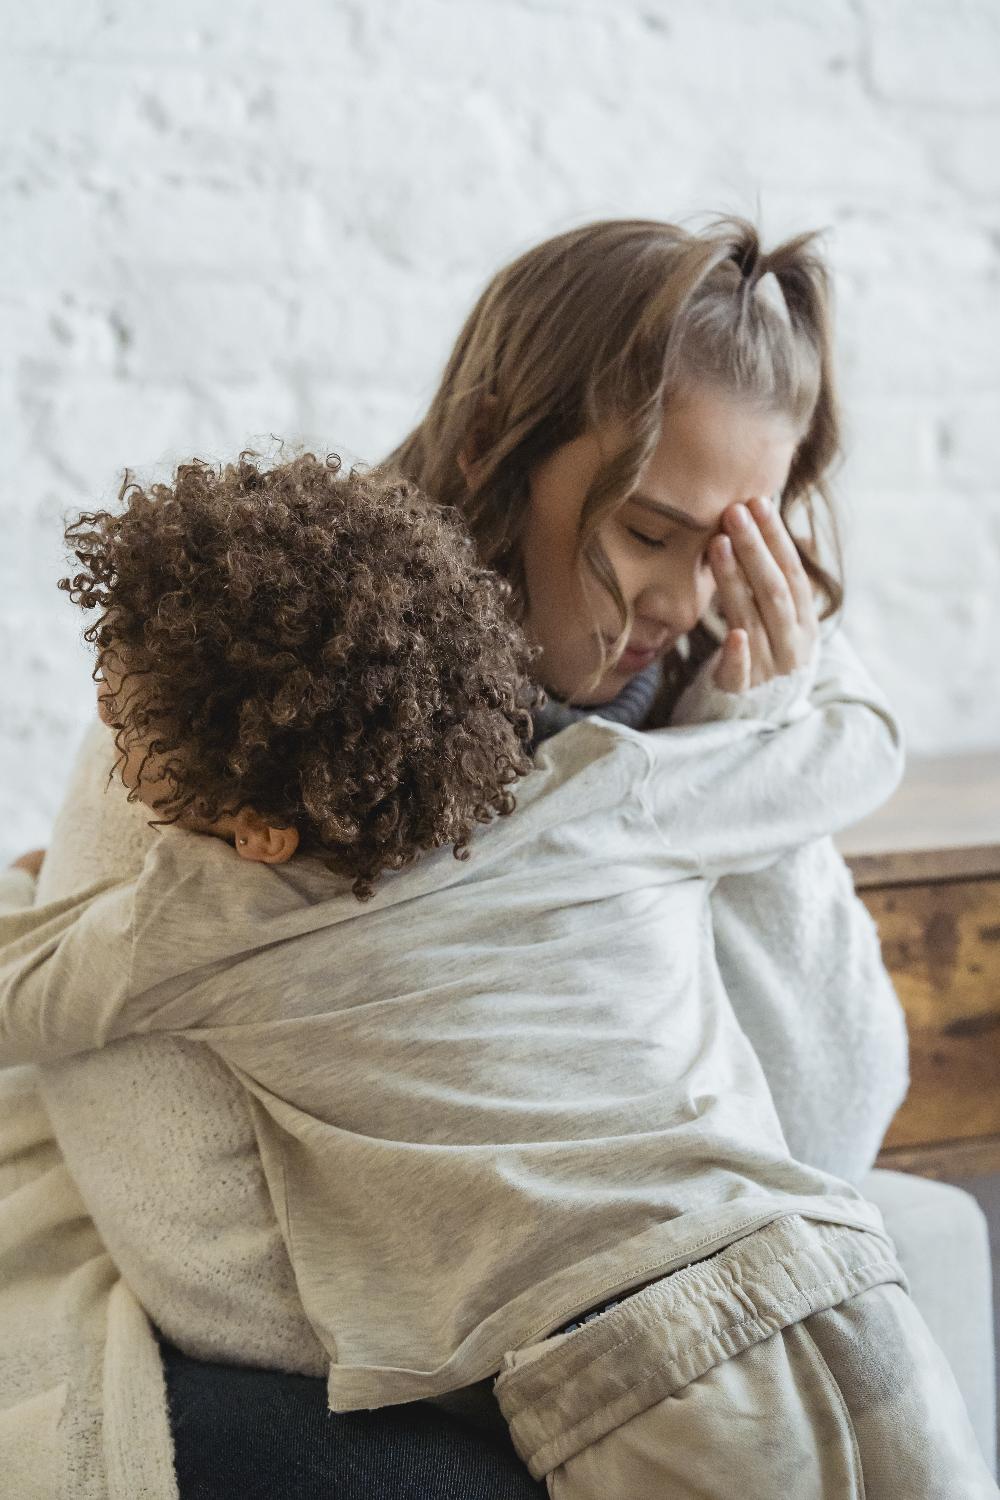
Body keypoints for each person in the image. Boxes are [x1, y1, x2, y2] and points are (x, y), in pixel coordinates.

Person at [0, 217, 910, 1498]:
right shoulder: (251, 680)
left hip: (620, 1309)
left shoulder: (740, 677)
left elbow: (828, 1128)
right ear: (496, 444)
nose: (689, 601)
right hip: (364, 1343)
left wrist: (737, 747)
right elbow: (194, 1250)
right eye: (648, 530)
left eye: (731, 544)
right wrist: (481, 1314)